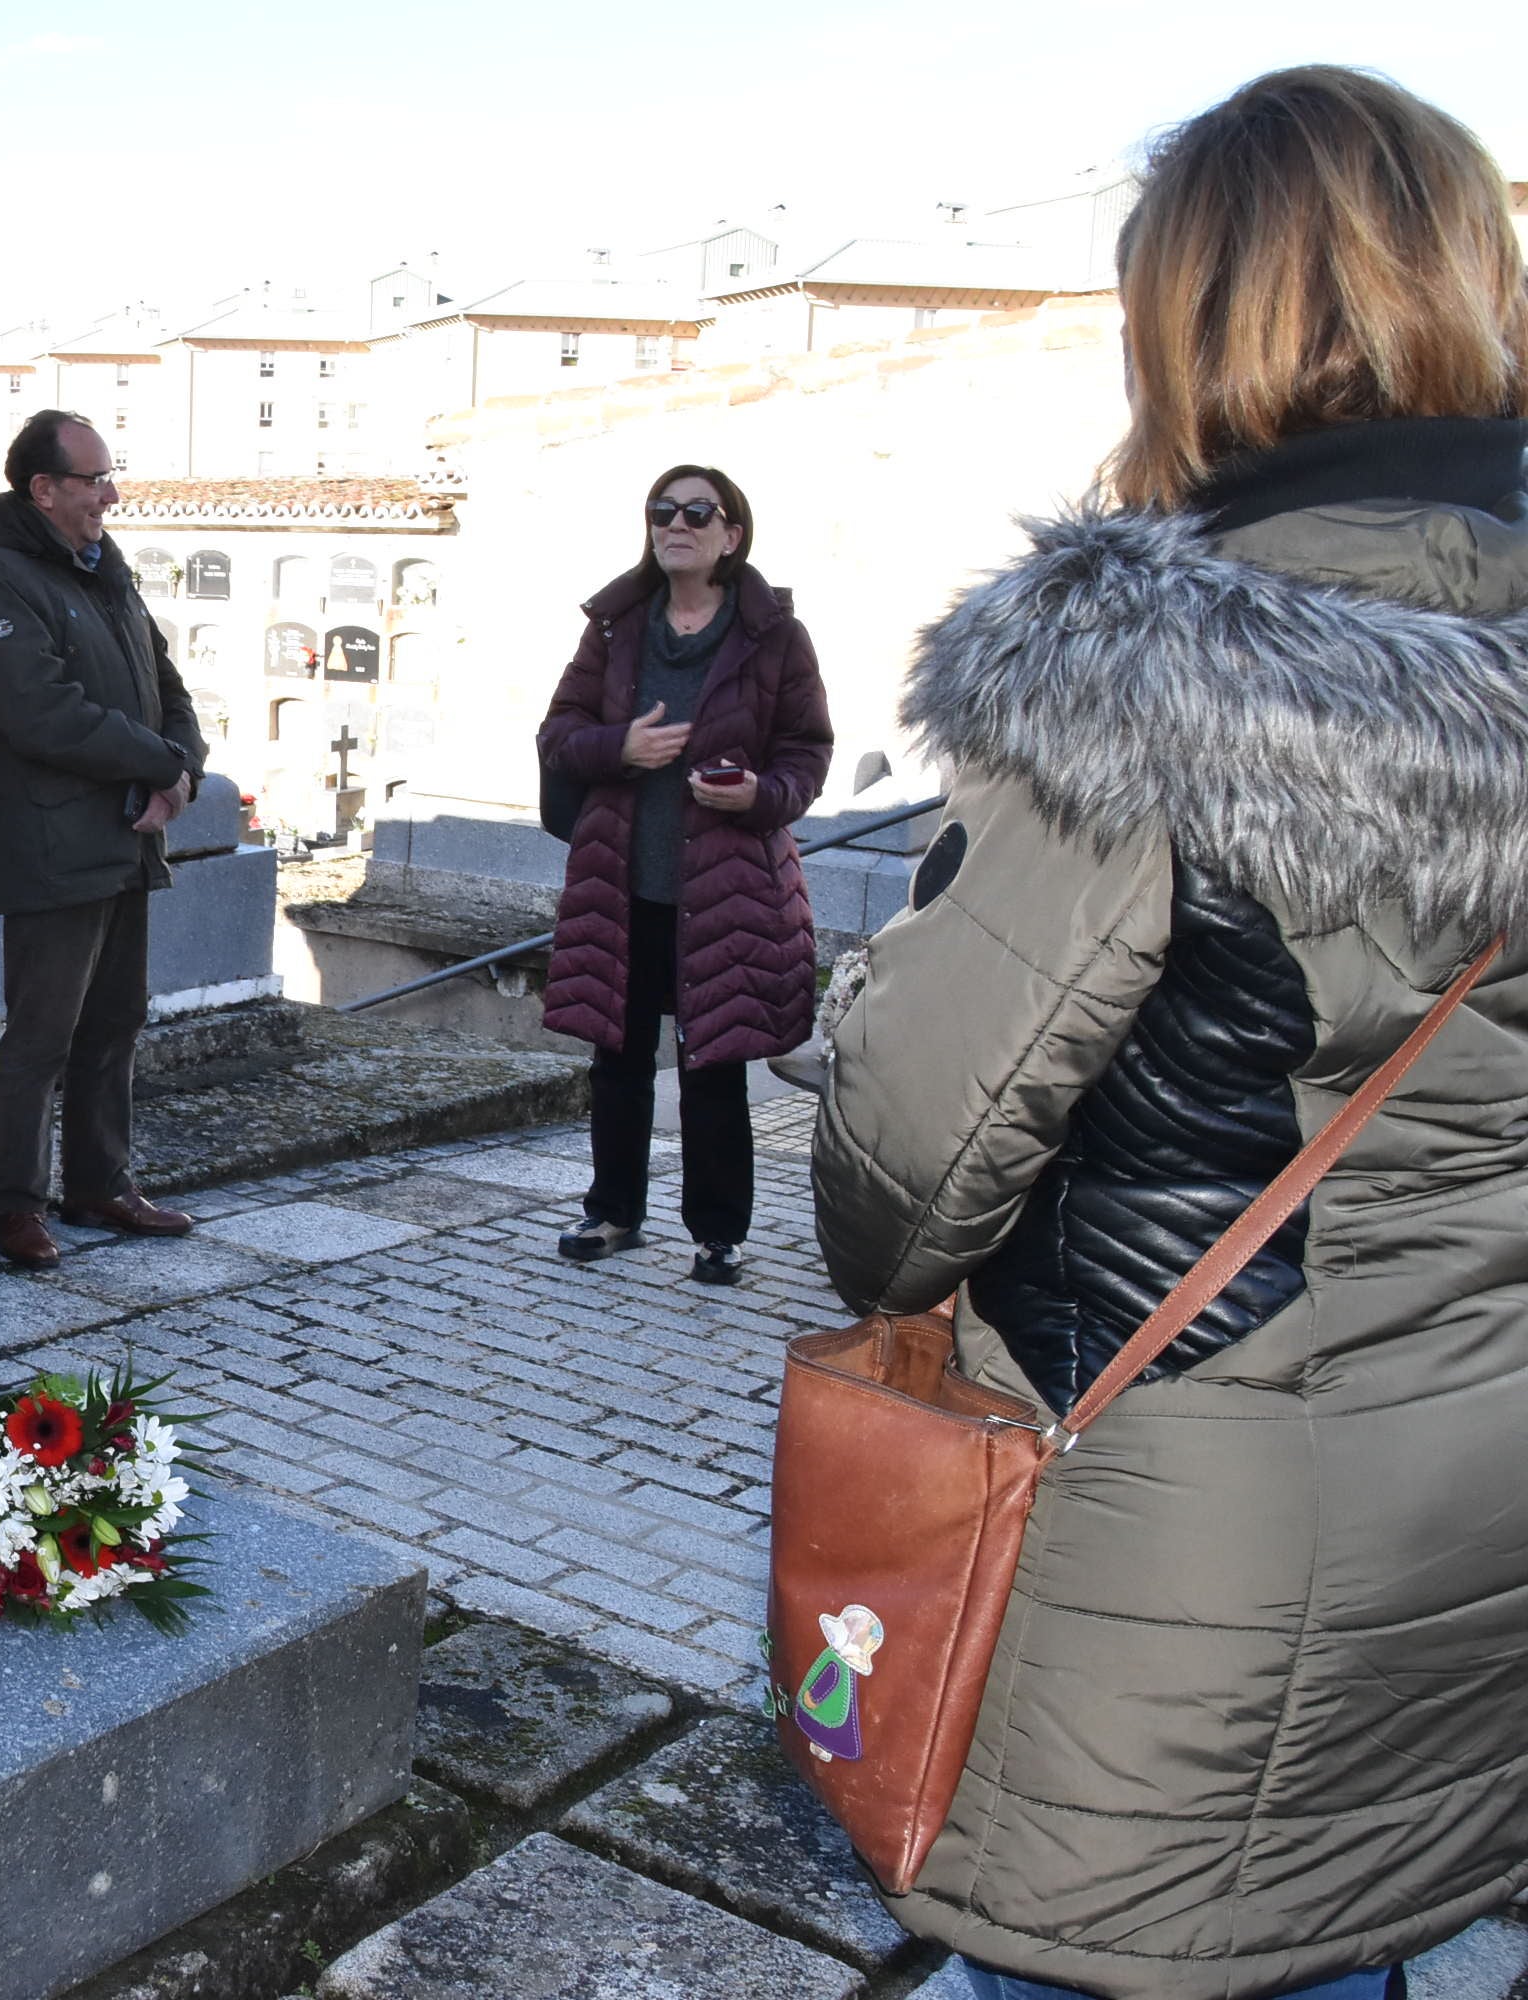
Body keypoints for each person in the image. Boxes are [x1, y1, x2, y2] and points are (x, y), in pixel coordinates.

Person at [810, 67, 1528, 2000]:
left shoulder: (1138, 678)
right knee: (1358, 1941)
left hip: (1180, 1549)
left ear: (1185, 326)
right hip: (1471, 1512)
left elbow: (898, 1195)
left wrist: (877, 985)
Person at [536, 465, 830, 1284]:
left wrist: (759, 796)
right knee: (618, 1057)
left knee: (714, 1063)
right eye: (663, 510)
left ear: (732, 534)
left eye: (699, 512)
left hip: (726, 884)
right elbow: (558, 734)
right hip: (620, 882)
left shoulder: (772, 636)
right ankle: (613, 1212)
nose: (678, 524)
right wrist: (619, 747)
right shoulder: (615, 627)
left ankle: (717, 1232)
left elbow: (807, 753)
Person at [0, 411, 208, 1270]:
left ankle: (100, 1185)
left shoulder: (106, 569)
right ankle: (17, 1208)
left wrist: (183, 768)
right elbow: (42, 712)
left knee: (115, 1020)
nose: (111, 493)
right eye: (95, 479)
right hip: (53, 843)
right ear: (44, 489)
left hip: (128, 835)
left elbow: (165, 681)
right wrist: (160, 762)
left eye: (111, 475)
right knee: (43, 1034)